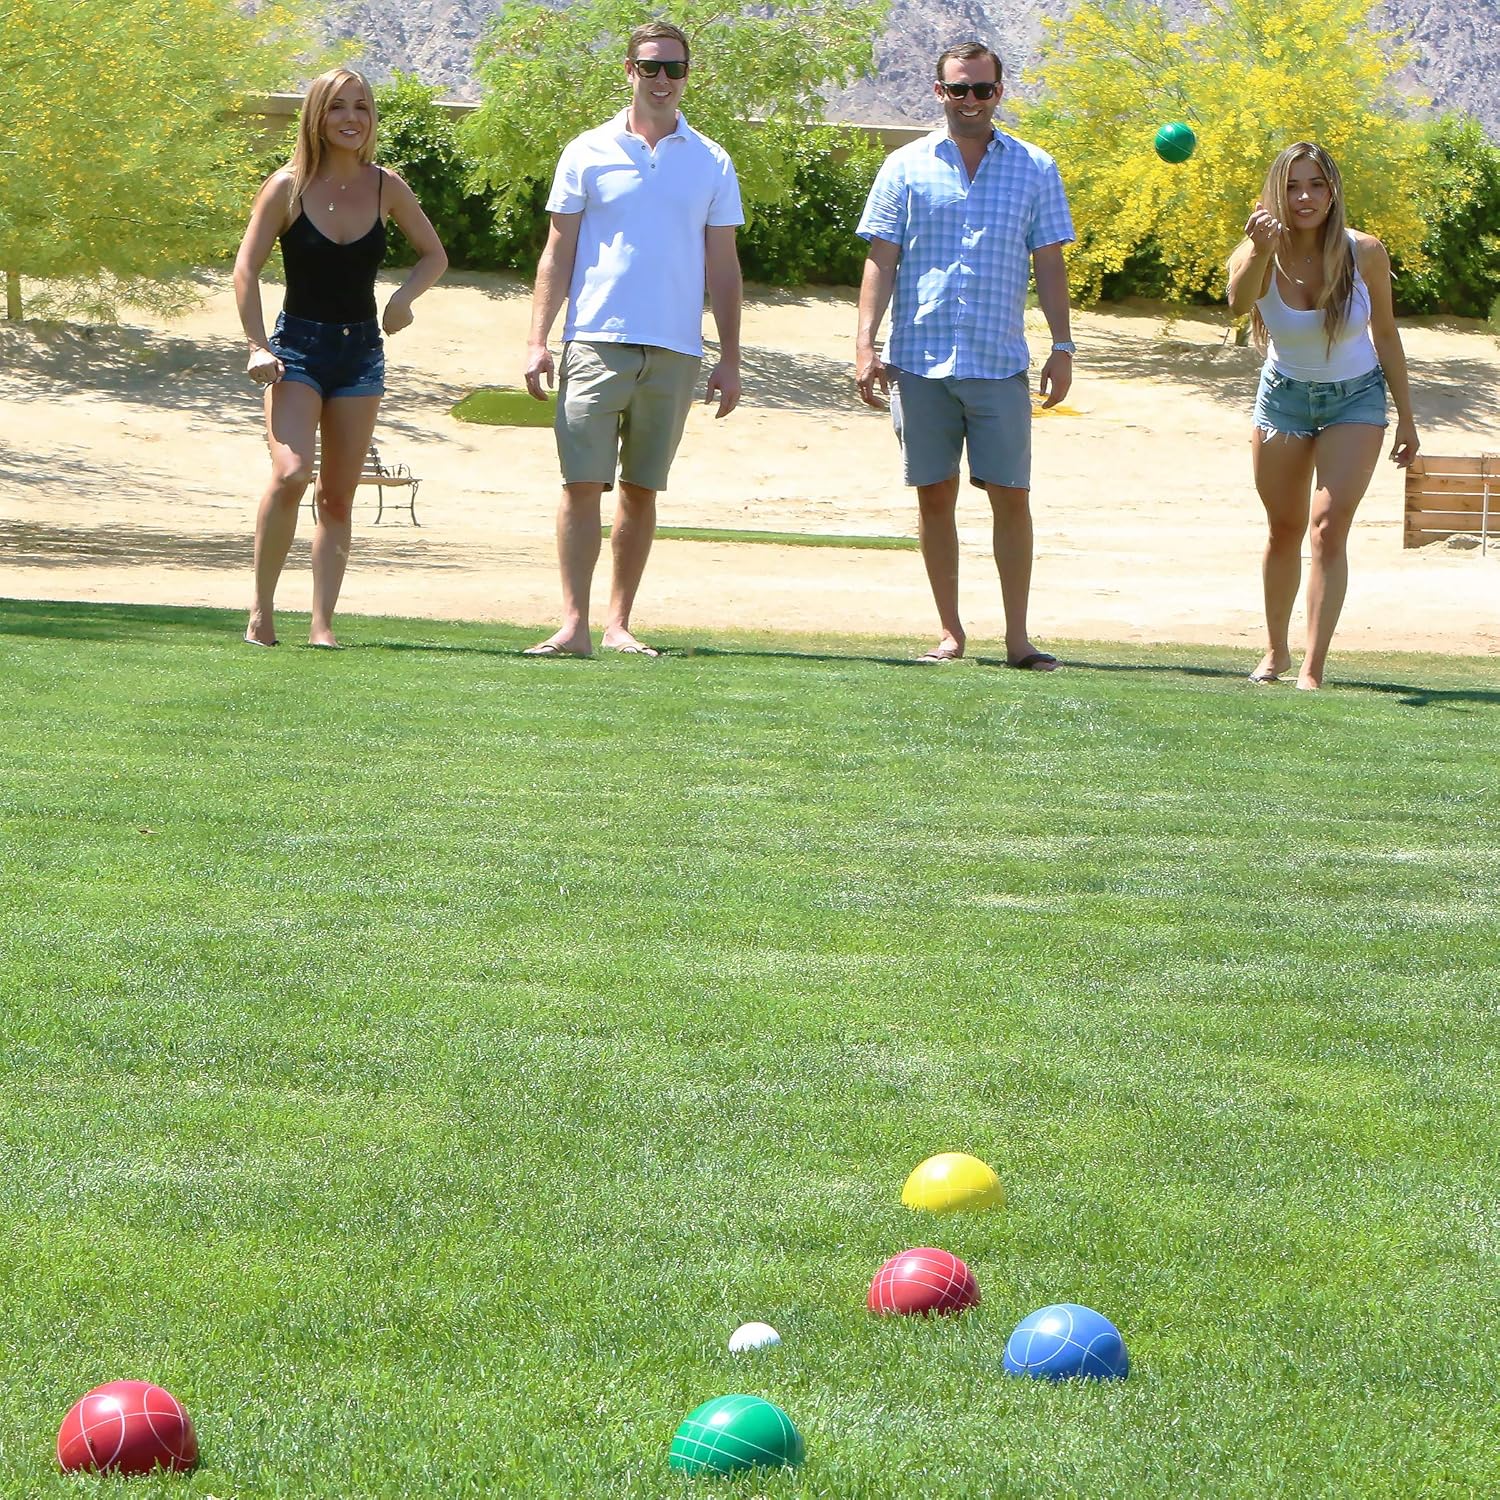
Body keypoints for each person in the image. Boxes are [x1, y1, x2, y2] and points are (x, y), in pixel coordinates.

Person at [522, 20, 744, 658]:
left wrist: (730, 358)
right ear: (629, 71)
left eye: (674, 69)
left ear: (687, 76)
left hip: (676, 348)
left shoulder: (712, 160)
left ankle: (619, 625)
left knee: (642, 490)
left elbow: (723, 267)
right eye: (651, 67)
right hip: (593, 338)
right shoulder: (586, 151)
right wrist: (538, 340)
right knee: (580, 484)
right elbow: (557, 251)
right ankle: (574, 625)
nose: (663, 80)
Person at [855, 41, 1076, 670]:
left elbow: (1050, 262)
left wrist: (1062, 346)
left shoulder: (1035, 167)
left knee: (1011, 495)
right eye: (959, 88)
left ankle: (1017, 638)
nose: (971, 100)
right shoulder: (903, 166)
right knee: (933, 496)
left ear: (999, 93)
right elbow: (881, 259)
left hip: (999, 360)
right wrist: (865, 344)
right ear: (939, 92)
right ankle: (950, 633)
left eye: (982, 89)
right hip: (918, 360)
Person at [234, 67, 447, 648]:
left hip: (361, 355)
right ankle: (261, 611)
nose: (351, 118)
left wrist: (403, 299)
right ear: (316, 117)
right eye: (337, 108)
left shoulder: (387, 186)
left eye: (360, 107)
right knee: (292, 473)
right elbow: (245, 270)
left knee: (337, 495)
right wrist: (257, 344)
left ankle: (322, 625)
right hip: (295, 351)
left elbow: (434, 256)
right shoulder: (287, 187)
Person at [1226, 141, 1418, 690]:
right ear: (1274, 194)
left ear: (1333, 192)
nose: (1304, 197)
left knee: (1327, 529)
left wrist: (1407, 418)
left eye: (1315, 184)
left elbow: (1385, 333)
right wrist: (1261, 250)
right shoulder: (1254, 249)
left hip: (1356, 398)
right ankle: (1275, 652)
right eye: (1291, 186)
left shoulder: (1366, 252)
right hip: (1284, 397)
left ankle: (1313, 666)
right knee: (1283, 528)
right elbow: (1240, 304)